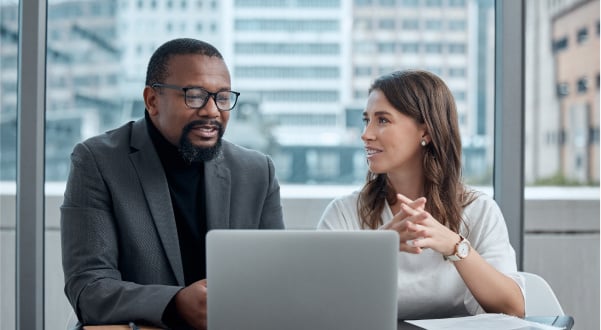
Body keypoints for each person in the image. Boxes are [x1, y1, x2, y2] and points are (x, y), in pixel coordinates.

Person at [61, 38, 284, 330]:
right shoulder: (98, 161)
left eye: (223, 97)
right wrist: (175, 303)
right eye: (195, 96)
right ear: (152, 100)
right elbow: (89, 287)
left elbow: (278, 281)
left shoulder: (257, 171)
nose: (212, 111)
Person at [317, 70, 525, 320]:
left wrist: (455, 246)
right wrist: (378, 247)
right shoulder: (345, 213)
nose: (366, 134)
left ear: (425, 132)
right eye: (367, 120)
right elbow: (320, 307)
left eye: (382, 120)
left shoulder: (478, 210)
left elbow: (513, 309)